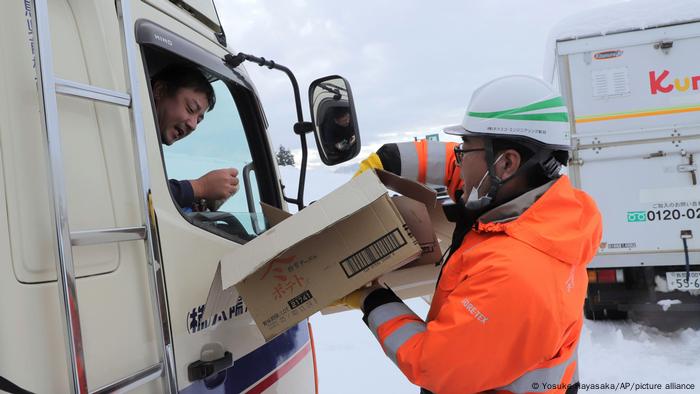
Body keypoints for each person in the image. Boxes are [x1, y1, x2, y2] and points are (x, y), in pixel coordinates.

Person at [342, 75, 602, 394]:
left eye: (466, 149)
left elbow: (431, 363)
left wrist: (372, 298)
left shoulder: (513, 277)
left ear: (506, 163)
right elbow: (453, 165)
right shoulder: (542, 210)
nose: (458, 161)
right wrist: (388, 159)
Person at [151, 64, 239, 210]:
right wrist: (200, 187)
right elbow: (134, 195)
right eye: (190, 109)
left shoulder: (146, 144)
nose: (193, 125)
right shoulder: (121, 129)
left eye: (199, 120)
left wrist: (196, 201)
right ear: (160, 91)